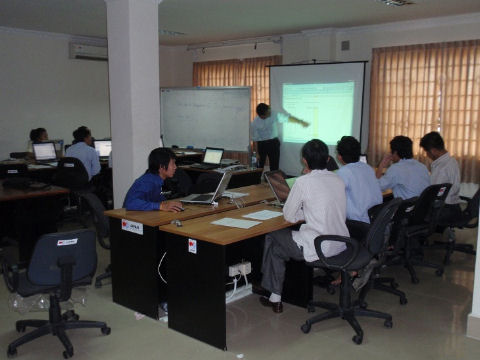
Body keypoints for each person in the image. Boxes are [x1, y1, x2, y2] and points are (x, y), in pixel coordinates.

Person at [259, 139, 349, 313]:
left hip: (318, 246)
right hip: (341, 243)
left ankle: (271, 291)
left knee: (272, 234)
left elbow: (288, 216)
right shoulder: (338, 179)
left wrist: (302, 209)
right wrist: (306, 212)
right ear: (328, 159)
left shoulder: (303, 182)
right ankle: (274, 296)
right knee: (277, 250)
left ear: (305, 161)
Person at [336, 136, 382, 223]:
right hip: (376, 220)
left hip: (359, 224)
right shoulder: (368, 168)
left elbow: (334, 197)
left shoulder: (344, 172)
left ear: (340, 157)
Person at [251, 103, 309, 171]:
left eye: (269, 111)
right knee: (260, 165)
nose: (270, 113)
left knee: (274, 165)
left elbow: (287, 118)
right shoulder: (255, 123)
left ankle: (273, 181)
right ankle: (257, 179)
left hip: (273, 143)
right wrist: (256, 153)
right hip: (262, 144)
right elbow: (255, 138)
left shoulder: (274, 114)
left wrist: (300, 121)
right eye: (267, 113)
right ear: (261, 116)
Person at [124, 148, 183, 212]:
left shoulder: (157, 180)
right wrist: (161, 206)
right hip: (131, 219)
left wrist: (169, 203)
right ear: (161, 166)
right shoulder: (147, 182)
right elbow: (130, 203)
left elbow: (156, 199)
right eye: (173, 163)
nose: (175, 167)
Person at [420, 131, 461, 221]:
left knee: (414, 211)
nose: (427, 155)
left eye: (427, 152)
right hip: (455, 207)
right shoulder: (452, 161)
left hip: (444, 210)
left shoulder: (441, 168)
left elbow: (433, 194)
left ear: (433, 151)